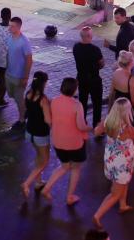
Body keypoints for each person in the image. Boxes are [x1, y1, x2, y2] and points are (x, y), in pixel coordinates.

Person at [92, 98, 134, 230]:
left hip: (111, 160)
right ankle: (97, 215)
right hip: (122, 163)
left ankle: (123, 205)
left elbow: (95, 131)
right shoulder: (127, 129)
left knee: (123, 182)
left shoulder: (107, 121)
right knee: (115, 193)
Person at [42, 78, 92, 206]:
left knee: (64, 166)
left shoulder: (54, 101)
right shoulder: (77, 105)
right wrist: (90, 128)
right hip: (74, 143)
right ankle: (69, 196)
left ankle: (47, 188)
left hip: (58, 141)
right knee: (75, 168)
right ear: (75, 89)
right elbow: (81, 126)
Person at [21, 71, 53, 198]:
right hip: (41, 133)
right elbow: (48, 120)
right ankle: (27, 183)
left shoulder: (28, 94)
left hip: (30, 132)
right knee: (45, 160)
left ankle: (38, 182)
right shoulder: (43, 99)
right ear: (43, 83)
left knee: (39, 156)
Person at [73, 26, 105, 127]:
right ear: (89, 36)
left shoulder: (76, 47)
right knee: (97, 103)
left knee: (82, 102)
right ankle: (96, 124)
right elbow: (102, 63)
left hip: (81, 78)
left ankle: (82, 122)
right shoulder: (95, 49)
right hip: (94, 79)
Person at [6, 17, 33, 128]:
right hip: (9, 74)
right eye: (9, 25)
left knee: (18, 98)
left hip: (19, 76)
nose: (9, 28)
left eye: (12, 26)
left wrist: (25, 77)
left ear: (18, 27)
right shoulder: (10, 38)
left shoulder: (24, 41)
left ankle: (22, 120)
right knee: (12, 95)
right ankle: (25, 110)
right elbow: (8, 54)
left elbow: (29, 60)